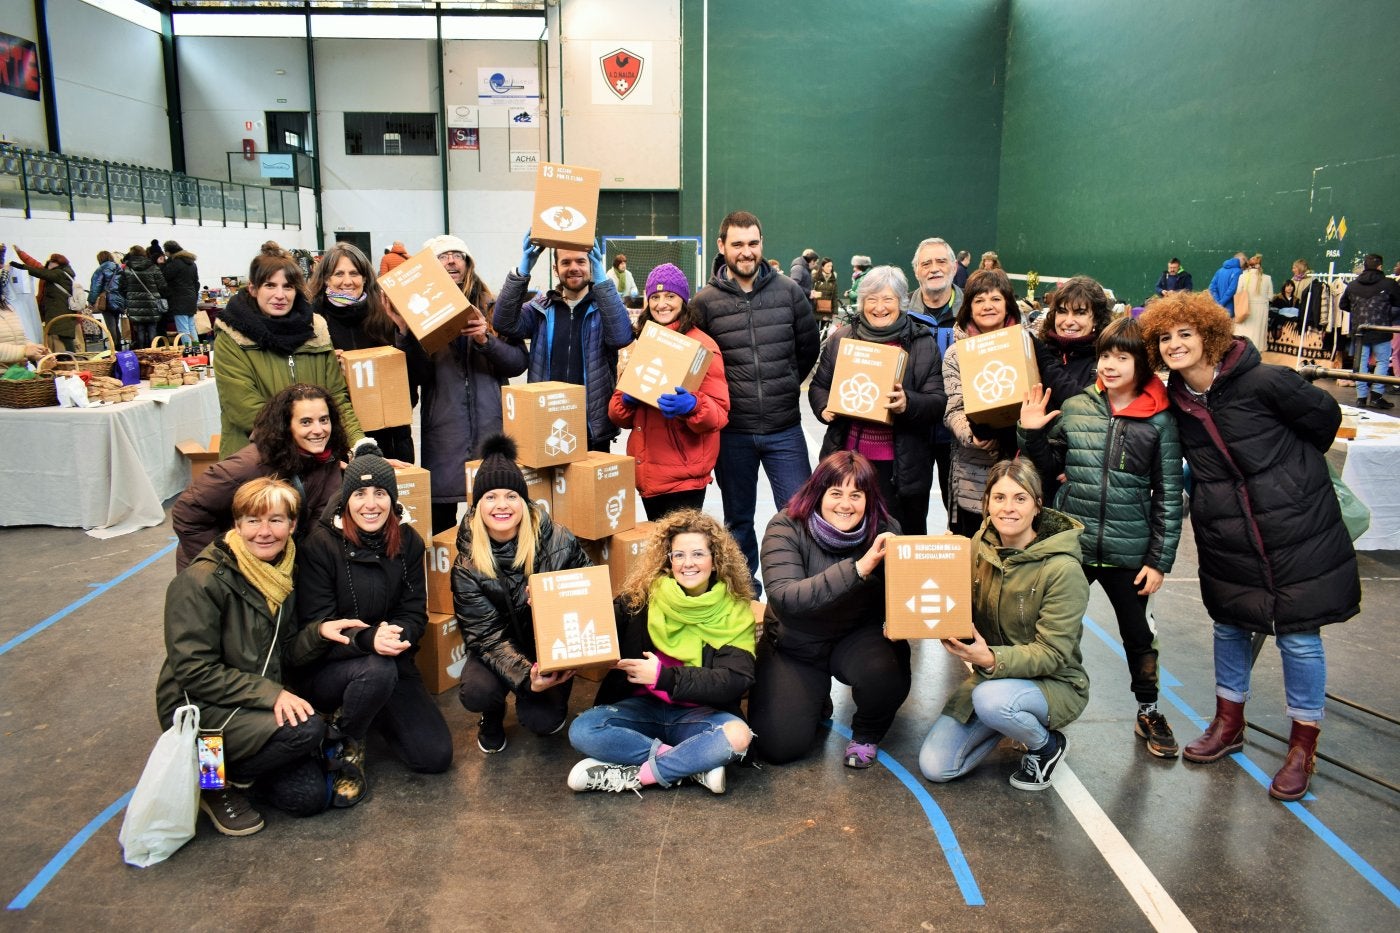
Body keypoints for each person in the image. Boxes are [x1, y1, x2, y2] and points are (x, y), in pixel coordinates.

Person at [1139, 293, 1360, 800]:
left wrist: (1287, 481)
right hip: (1227, 534)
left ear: (1210, 337)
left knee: (1299, 636)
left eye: (1185, 334)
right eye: (1165, 337)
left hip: (1295, 528)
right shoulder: (1177, 402)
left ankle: (1302, 747)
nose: (1174, 344)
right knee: (1230, 625)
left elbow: (1322, 421)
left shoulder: (1266, 382)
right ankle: (1227, 722)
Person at [1018, 317, 1184, 757]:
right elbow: (1043, 465)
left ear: (1144, 364)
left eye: (1122, 357)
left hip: (1130, 552)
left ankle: (1148, 709)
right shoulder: (1077, 407)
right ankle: (1035, 706)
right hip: (1074, 546)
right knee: (1051, 630)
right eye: (1106, 355)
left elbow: (1169, 494)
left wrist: (1159, 560)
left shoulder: (1162, 421)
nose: (1109, 365)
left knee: (1139, 636)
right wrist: (1030, 430)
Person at [156, 477, 347, 836]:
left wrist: (318, 633)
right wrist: (272, 695)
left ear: (292, 525)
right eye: (253, 520)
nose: (264, 531)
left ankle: (246, 768)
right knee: (307, 729)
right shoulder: (201, 581)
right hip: (199, 707)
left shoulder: (283, 572)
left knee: (308, 798)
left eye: (275, 520)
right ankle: (214, 781)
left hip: (248, 697)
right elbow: (193, 671)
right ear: (237, 525)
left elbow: (283, 648)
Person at [918, 459, 1090, 790]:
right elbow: (952, 603)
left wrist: (990, 659)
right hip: (994, 679)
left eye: (1020, 498)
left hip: (1053, 682)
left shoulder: (1062, 570)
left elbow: (1052, 654)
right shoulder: (978, 546)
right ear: (987, 503)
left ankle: (1047, 746)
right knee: (936, 767)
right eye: (999, 498)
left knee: (992, 701)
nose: (1008, 508)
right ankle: (1007, 720)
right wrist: (939, 562)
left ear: (1038, 506)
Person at [294, 455, 454, 807]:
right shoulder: (320, 546)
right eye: (360, 493)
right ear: (346, 499)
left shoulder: (408, 540)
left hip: (387, 659)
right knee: (376, 671)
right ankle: (345, 739)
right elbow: (316, 630)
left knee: (435, 756)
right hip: (328, 668)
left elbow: (413, 609)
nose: (370, 504)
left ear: (392, 500)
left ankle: (370, 709)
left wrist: (398, 635)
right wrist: (368, 640)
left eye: (380, 493)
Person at [566, 509, 755, 795]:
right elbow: (596, 618)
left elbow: (733, 680)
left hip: (697, 716)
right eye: (678, 555)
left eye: (698, 554)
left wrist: (665, 677)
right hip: (642, 711)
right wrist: (549, 606)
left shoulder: (735, 611)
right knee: (583, 729)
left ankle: (637, 775)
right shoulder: (641, 597)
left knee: (739, 736)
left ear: (715, 561)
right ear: (668, 562)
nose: (687, 563)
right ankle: (693, 765)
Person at [748, 451, 908, 768]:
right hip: (796, 643)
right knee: (778, 748)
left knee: (886, 668)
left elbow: (905, 592)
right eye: (835, 493)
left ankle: (866, 734)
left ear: (869, 499)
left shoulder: (886, 529)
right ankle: (816, 697)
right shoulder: (785, 527)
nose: (845, 504)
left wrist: (938, 558)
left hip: (856, 636)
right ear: (818, 493)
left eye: (856, 494)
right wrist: (859, 568)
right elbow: (786, 597)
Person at [692, 211, 820, 592]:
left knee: (799, 514)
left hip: (784, 429)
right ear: (722, 247)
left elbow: (807, 348)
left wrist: (783, 384)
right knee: (738, 520)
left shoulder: (789, 292)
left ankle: (797, 592)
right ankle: (747, 596)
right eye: (737, 244)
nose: (746, 252)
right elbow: (697, 361)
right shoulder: (705, 303)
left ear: (761, 244)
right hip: (734, 433)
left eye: (753, 243)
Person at [452, 434, 593, 753]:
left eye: (511, 495)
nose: (501, 505)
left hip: (549, 645)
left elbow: (588, 593)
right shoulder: (467, 563)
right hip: (497, 646)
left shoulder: (557, 539)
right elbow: (485, 636)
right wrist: (526, 677)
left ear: (525, 501)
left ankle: (549, 694)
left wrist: (552, 606)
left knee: (543, 723)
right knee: (477, 691)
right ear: (477, 506)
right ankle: (492, 713)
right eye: (490, 497)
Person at [809, 265, 946, 534]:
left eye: (888, 300)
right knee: (846, 539)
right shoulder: (841, 339)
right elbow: (819, 386)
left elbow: (938, 401)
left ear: (901, 303)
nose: (879, 307)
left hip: (901, 470)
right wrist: (823, 406)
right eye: (871, 299)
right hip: (848, 463)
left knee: (899, 542)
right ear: (862, 303)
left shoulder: (921, 343)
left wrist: (908, 403)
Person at [406, 235, 527, 534]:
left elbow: (517, 362)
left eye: (457, 255)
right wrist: (405, 332)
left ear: (468, 262)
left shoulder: (493, 308)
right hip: (444, 432)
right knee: (442, 525)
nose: (450, 261)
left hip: (492, 430)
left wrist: (485, 340)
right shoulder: (419, 312)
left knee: (495, 516)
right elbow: (414, 376)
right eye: (442, 256)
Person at [213, 244, 370, 459]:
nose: (280, 295)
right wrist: (307, 434)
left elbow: (336, 398)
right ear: (253, 288)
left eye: (287, 287)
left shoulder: (316, 331)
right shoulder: (232, 336)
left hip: (313, 462)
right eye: (270, 285)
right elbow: (243, 408)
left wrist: (360, 443)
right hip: (257, 461)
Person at [173, 383, 350, 573]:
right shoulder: (249, 464)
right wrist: (224, 566)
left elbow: (321, 520)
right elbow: (187, 509)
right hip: (224, 572)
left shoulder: (326, 458)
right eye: (306, 422)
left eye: (324, 420)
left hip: (274, 565)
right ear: (286, 426)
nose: (319, 430)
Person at [609, 263, 729, 520]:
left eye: (670, 296)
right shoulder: (641, 343)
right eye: (655, 297)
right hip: (648, 474)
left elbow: (719, 413)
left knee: (680, 553)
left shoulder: (702, 347)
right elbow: (617, 414)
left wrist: (693, 405)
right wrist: (628, 400)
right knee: (660, 555)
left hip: (684, 478)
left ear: (683, 300)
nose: (662, 304)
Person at [493, 236, 635, 452]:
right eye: (566, 262)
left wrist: (601, 276)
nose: (574, 268)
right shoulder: (540, 309)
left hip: (592, 431)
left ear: (591, 265)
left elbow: (621, 336)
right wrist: (524, 268)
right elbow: (503, 322)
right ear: (555, 268)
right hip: (546, 426)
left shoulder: (603, 310)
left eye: (581, 261)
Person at [307, 241, 416, 462]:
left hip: (391, 436)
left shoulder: (388, 314)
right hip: (338, 438)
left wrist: (404, 332)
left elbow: (418, 375)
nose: (347, 281)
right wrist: (326, 366)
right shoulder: (312, 322)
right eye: (338, 274)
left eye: (354, 273)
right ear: (326, 278)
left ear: (365, 277)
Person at [942, 269, 1022, 537]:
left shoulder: (1026, 344)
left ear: (1008, 304)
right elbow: (953, 409)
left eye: (996, 299)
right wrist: (973, 435)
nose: (988, 306)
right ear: (969, 308)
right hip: (972, 474)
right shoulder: (956, 354)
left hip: (1019, 467)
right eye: (979, 300)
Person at [906, 237, 964, 512]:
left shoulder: (973, 312)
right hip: (913, 428)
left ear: (953, 267)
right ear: (916, 271)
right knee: (910, 511)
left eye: (941, 261)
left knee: (960, 513)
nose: (934, 268)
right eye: (926, 263)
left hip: (960, 433)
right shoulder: (900, 315)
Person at [1034, 275, 1114, 411]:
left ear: (1096, 318)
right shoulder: (1038, 351)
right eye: (1062, 311)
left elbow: (1083, 407)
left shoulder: (1105, 359)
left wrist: (1046, 363)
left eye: (1080, 313)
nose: (1069, 321)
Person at [1339, 253, 1400, 410]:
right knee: (1382, 362)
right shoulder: (1389, 284)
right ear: (1380, 267)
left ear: (1365, 266)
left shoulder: (1352, 285)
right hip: (1381, 329)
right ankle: (1376, 396)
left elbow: (1342, 305)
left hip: (1359, 331)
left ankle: (1361, 398)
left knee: (1360, 363)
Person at [9, 248, 79, 350]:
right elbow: (36, 266)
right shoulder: (63, 273)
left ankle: (71, 361)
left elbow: (39, 272)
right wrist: (21, 254)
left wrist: (20, 266)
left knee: (65, 338)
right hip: (61, 311)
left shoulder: (58, 274)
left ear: (56, 263)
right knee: (63, 338)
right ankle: (69, 360)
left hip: (60, 312)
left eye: (50, 261)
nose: (48, 264)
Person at [119, 244, 169, 350]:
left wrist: (129, 296)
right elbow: (163, 285)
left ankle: (141, 352)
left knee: (140, 330)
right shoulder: (153, 266)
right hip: (152, 303)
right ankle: (153, 352)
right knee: (152, 329)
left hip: (134, 304)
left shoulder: (127, 268)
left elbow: (122, 287)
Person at [161, 239, 201, 346]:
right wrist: (195, 296)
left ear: (169, 252)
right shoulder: (192, 263)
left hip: (179, 299)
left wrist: (165, 263)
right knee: (191, 327)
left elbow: (165, 276)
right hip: (191, 298)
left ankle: (188, 352)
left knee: (183, 329)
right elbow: (196, 283)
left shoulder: (174, 263)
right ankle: (197, 350)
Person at [1233, 254, 1272, 349]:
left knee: (1243, 333)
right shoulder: (1267, 278)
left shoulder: (1243, 276)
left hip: (1245, 308)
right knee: (1257, 337)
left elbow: (1238, 292)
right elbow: (1270, 297)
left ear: (1249, 265)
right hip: (1262, 309)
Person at [89, 250, 124, 347]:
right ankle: (119, 347)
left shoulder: (100, 269)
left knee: (110, 326)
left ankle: (114, 348)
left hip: (107, 300)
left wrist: (91, 301)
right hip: (119, 300)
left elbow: (96, 286)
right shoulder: (119, 268)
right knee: (116, 325)